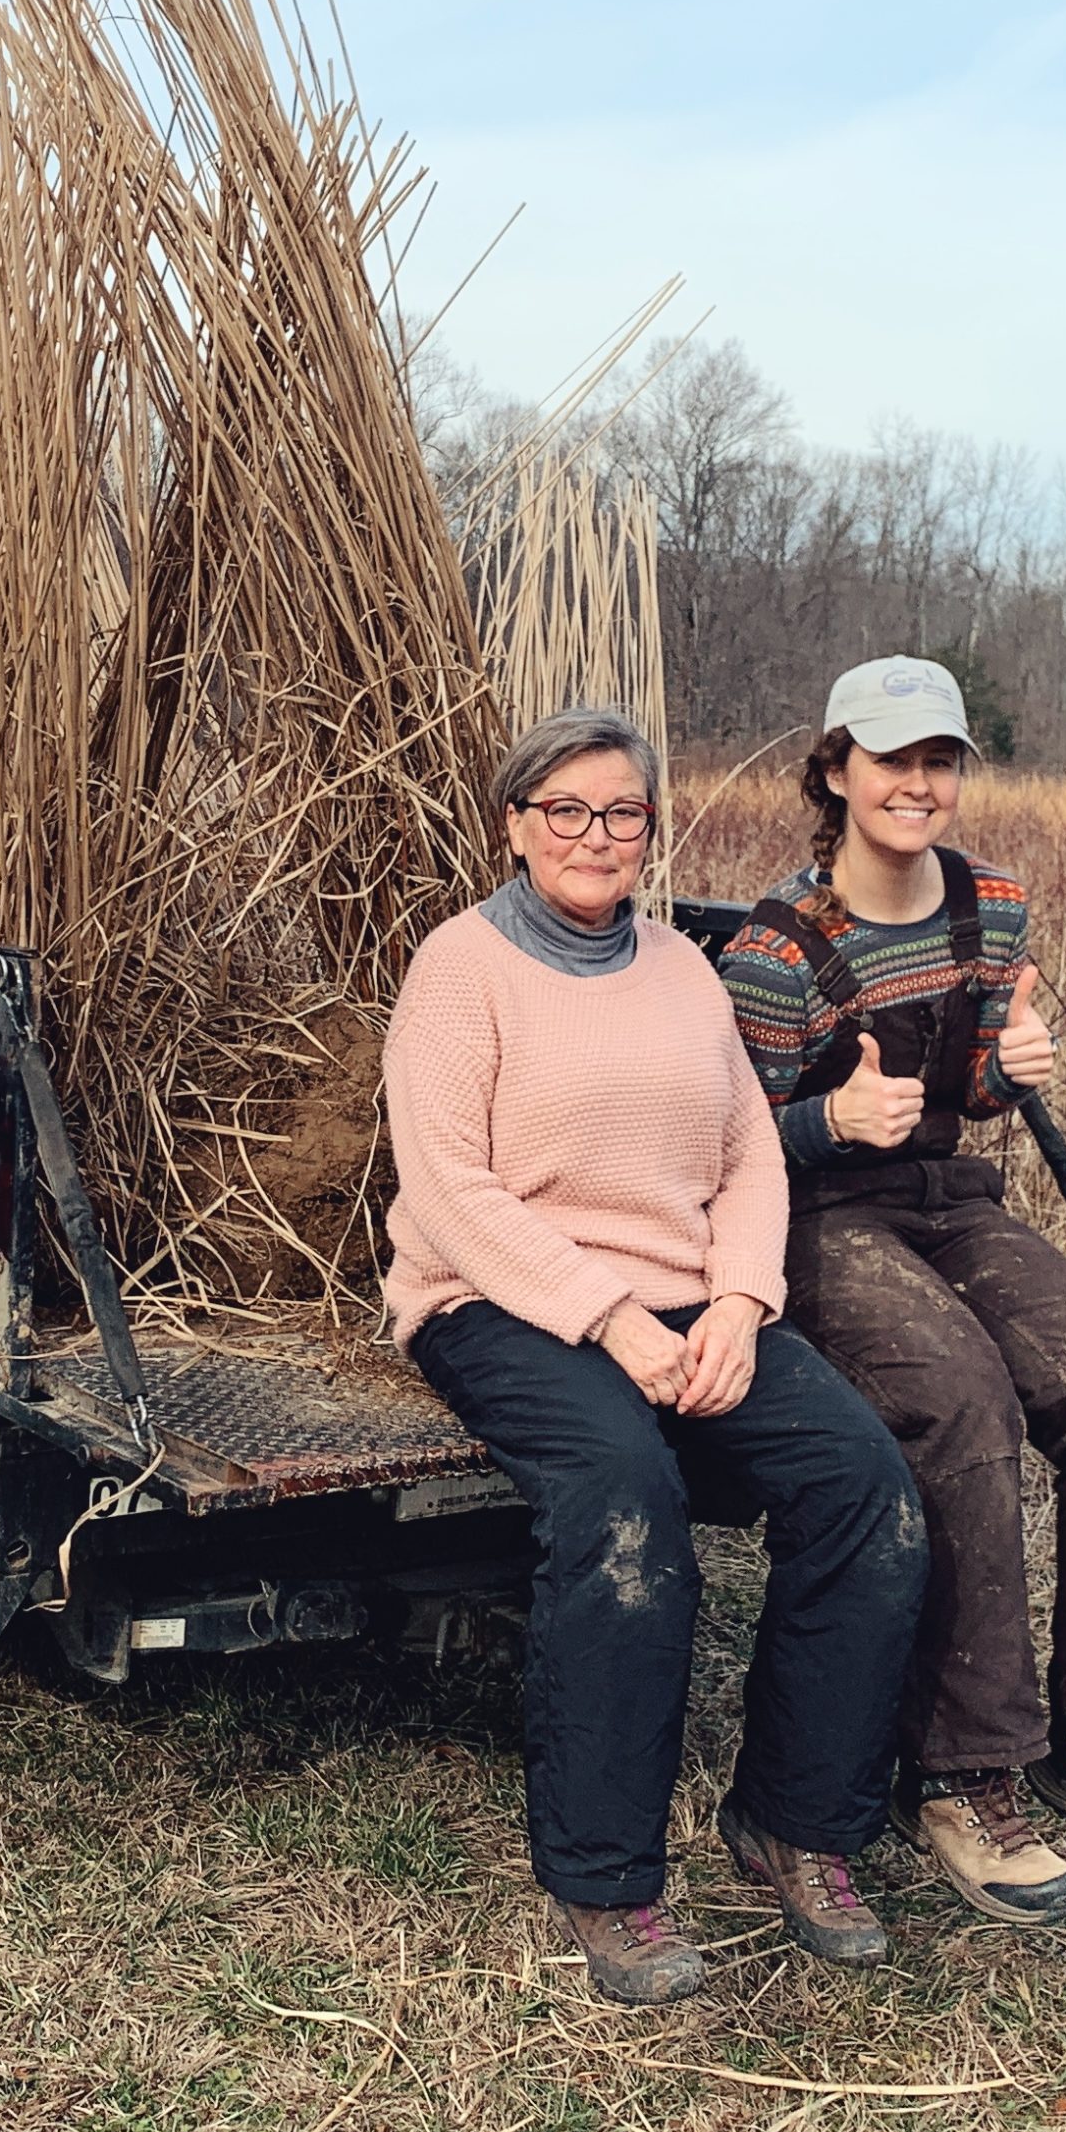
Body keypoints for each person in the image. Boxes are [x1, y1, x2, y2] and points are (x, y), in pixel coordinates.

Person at [385, 707, 926, 2005]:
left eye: (621, 811)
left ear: (647, 828)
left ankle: (795, 1823)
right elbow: (450, 1190)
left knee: (865, 1490)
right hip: (500, 1300)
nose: (595, 835)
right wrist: (608, 1316)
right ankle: (607, 1879)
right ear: (516, 827)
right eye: (565, 809)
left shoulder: (684, 967)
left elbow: (746, 1153)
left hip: (691, 1299)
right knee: (627, 1503)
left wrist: (738, 1302)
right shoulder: (459, 969)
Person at [718, 655, 1066, 1923]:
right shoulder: (775, 949)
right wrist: (826, 1121)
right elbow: (719, 1143)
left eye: (938, 760)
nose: (918, 783)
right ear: (836, 771)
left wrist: (1009, 1065)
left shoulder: (991, 904)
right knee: (960, 1406)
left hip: (947, 1200)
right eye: (891, 759)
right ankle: (958, 1771)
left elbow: (976, 1090)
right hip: (815, 1220)